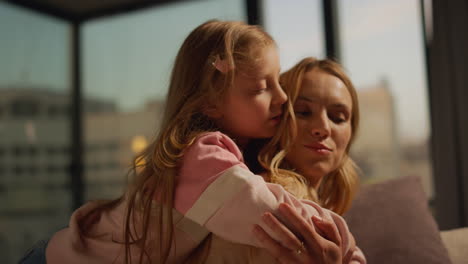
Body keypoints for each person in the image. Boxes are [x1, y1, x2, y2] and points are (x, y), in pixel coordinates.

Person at [22, 21, 363, 264]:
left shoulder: (224, 159)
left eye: (338, 116)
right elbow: (267, 209)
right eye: (262, 88)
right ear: (211, 103)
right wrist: (347, 250)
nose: (281, 99)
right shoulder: (203, 155)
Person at [252, 57, 365, 263]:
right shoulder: (260, 196)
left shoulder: (328, 211)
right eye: (303, 112)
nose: (322, 128)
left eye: (338, 117)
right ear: (277, 119)